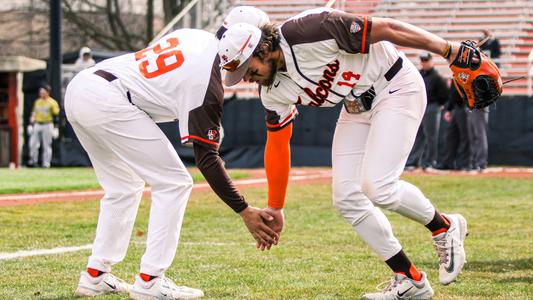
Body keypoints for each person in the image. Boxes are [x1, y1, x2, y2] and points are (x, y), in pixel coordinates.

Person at [219, 8, 470, 299]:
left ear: (263, 48)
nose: (248, 80)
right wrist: (276, 205)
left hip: (394, 84)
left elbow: (388, 28)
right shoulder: (271, 91)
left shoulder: (308, 30)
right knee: (346, 198)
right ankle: (409, 278)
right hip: (355, 105)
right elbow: (277, 140)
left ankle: (444, 227)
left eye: (249, 70)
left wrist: (448, 51)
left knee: (379, 187)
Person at [67, 8, 278, 299]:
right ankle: (150, 280)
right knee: (175, 182)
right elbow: (206, 159)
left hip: (83, 86)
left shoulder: (194, 36)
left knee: (123, 187)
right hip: (109, 99)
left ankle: (95, 275)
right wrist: (244, 209)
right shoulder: (207, 80)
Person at [405, 53, 448, 171]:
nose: (424, 63)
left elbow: (444, 94)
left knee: (431, 136)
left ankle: (430, 162)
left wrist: (439, 105)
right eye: (423, 60)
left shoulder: (437, 77)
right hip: (419, 107)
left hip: (432, 107)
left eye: (426, 60)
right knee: (418, 135)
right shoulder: (419, 74)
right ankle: (413, 161)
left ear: (431, 61)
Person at [437, 84, 473, 171]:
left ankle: (464, 163)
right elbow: (453, 93)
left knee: (465, 136)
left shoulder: (464, 73)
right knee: (450, 136)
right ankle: (448, 162)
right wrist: (449, 109)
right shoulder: (455, 75)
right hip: (455, 108)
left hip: (464, 106)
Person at [28, 85, 60, 168]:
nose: (41, 94)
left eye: (43, 92)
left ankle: (46, 163)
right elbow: (33, 114)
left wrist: (56, 128)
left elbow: (56, 116)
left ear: (48, 92)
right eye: (40, 92)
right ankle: (33, 161)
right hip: (37, 124)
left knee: (47, 145)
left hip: (47, 124)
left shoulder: (52, 102)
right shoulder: (37, 101)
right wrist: (31, 125)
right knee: (33, 144)